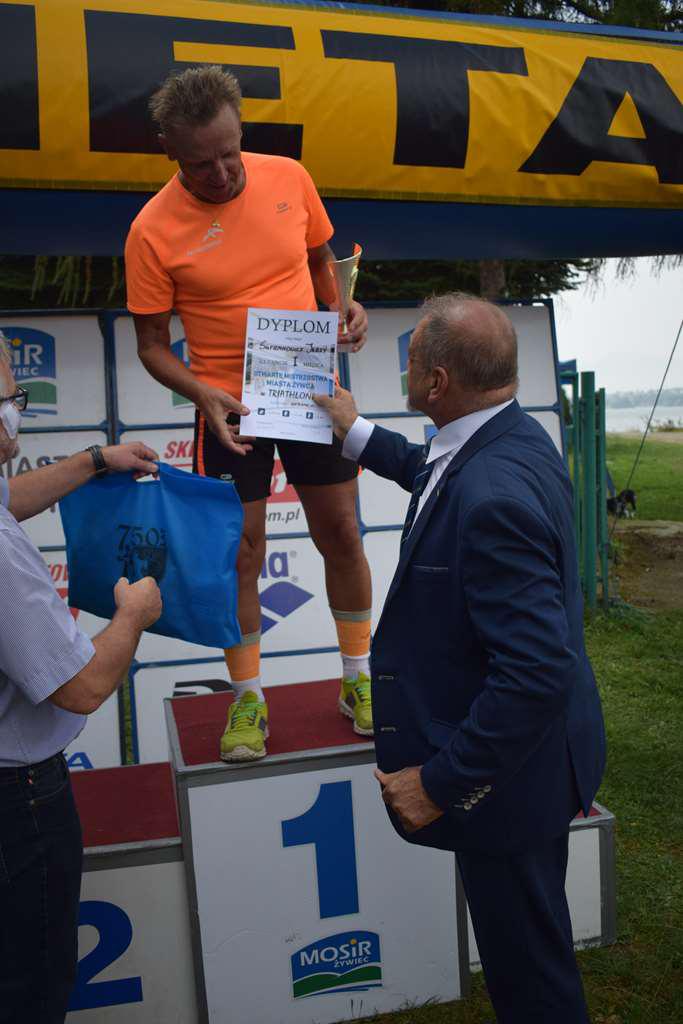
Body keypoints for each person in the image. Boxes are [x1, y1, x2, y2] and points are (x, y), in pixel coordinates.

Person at [315, 293, 606, 1024]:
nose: (405, 369)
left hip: (506, 782)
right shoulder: (509, 436)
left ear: (437, 382)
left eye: (411, 358)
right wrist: (355, 432)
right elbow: (432, 470)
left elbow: (536, 673)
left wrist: (439, 783)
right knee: (532, 943)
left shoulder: (490, 495)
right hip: (534, 764)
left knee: (530, 977)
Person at [125, 65, 373, 763]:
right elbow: (150, 345)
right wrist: (201, 394)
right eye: (200, 164)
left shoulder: (289, 176)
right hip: (228, 405)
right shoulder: (150, 229)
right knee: (242, 553)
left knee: (342, 532)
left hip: (307, 386)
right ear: (170, 152)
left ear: (241, 131)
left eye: (230, 153)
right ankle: (247, 699)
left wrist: (342, 306)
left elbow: (320, 260)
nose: (222, 174)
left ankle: (358, 677)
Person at [0, 333, 162, 1023]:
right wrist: (133, 615)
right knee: (31, 986)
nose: (15, 409)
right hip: (18, 805)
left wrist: (95, 460)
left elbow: (9, 496)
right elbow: (83, 687)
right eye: (8, 397)